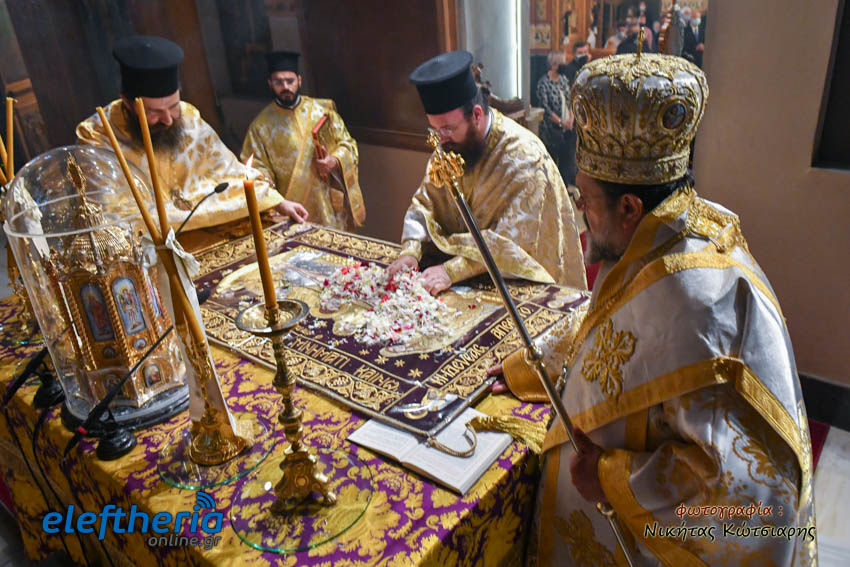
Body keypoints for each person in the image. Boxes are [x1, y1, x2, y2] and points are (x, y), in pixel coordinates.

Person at [491, 52, 817, 566]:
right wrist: (531, 366)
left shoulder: (697, 305)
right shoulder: (660, 232)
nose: (580, 208)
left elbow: (746, 498)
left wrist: (611, 477)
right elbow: (614, 329)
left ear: (629, 207)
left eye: (586, 198)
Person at [387, 51, 586, 295]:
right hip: (459, 280)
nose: (440, 140)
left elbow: (515, 245)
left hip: (518, 284)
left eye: (447, 129)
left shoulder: (525, 158)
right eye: (435, 130)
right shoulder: (449, 145)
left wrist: (452, 271)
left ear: (477, 115)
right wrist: (411, 251)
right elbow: (425, 203)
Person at [76, 35, 304, 232]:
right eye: (154, 112)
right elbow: (115, 216)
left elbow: (228, 172)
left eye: (173, 106)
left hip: (212, 233)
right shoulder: (97, 137)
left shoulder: (187, 117)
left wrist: (275, 201)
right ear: (127, 103)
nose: (168, 119)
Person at [241, 51, 365, 231]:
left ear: (299, 80)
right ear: (270, 84)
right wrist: (274, 196)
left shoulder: (322, 111)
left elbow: (348, 145)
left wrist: (334, 160)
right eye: (278, 82)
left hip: (329, 205)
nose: (285, 87)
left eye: (290, 81)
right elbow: (255, 169)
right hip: (293, 210)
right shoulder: (260, 126)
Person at [536, 51, 573, 188]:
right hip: (551, 129)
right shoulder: (543, 83)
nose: (564, 66)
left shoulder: (563, 80)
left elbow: (570, 100)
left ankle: (565, 186)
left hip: (567, 127)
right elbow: (545, 109)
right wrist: (561, 122)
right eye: (561, 63)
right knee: (552, 162)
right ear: (553, 65)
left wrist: (571, 119)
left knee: (566, 161)